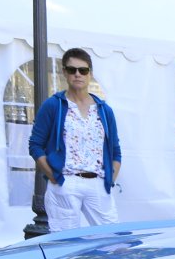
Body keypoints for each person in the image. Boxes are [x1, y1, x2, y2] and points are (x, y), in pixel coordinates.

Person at [28, 47, 122, 231]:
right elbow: (35, 145)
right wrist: (53, 175)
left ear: (90, 73)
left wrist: (110, 178)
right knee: (65, 241)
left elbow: (115, 150)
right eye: (72, 70)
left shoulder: (104, 110)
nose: (77, 74)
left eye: (83, 70)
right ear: (64, 72)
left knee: (111, 237)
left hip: (98, 181)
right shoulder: (53, 105)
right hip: (65, 181)